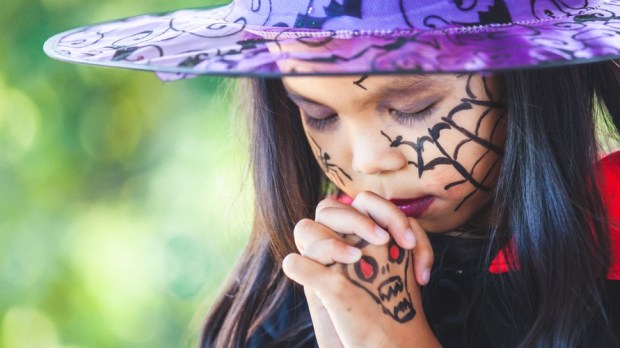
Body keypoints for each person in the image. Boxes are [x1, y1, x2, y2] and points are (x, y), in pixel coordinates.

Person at [45, 0, 620, 346]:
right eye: (318, 116)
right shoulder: (281, 304)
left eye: (414, 107)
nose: (367, 160)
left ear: (526, 75)